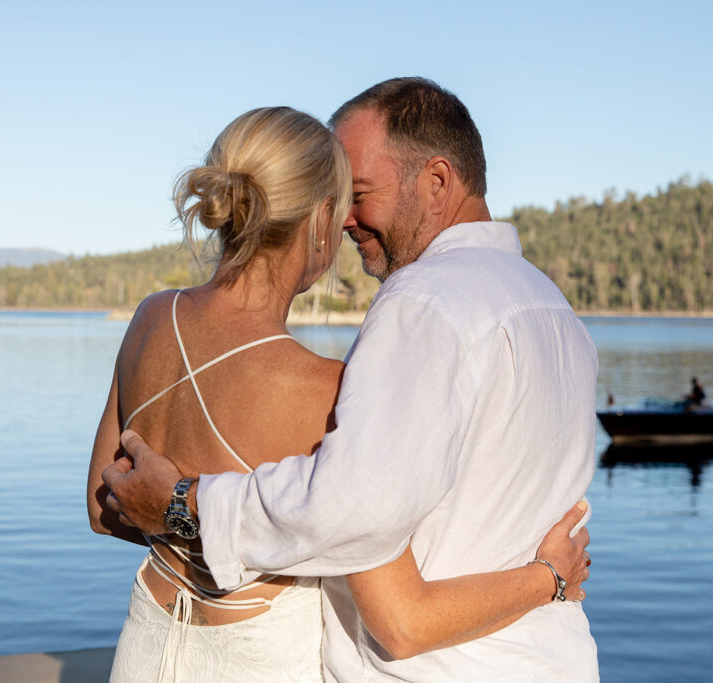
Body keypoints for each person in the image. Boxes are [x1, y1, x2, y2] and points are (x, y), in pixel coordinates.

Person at [105, 78, 600, 680]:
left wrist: (181, 508)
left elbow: (374, 564)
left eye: (359, 193)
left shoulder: (422, 303)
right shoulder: (557, 314)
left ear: (437, 182)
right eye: (338, 200)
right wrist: (547, 578)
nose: (346, 221)